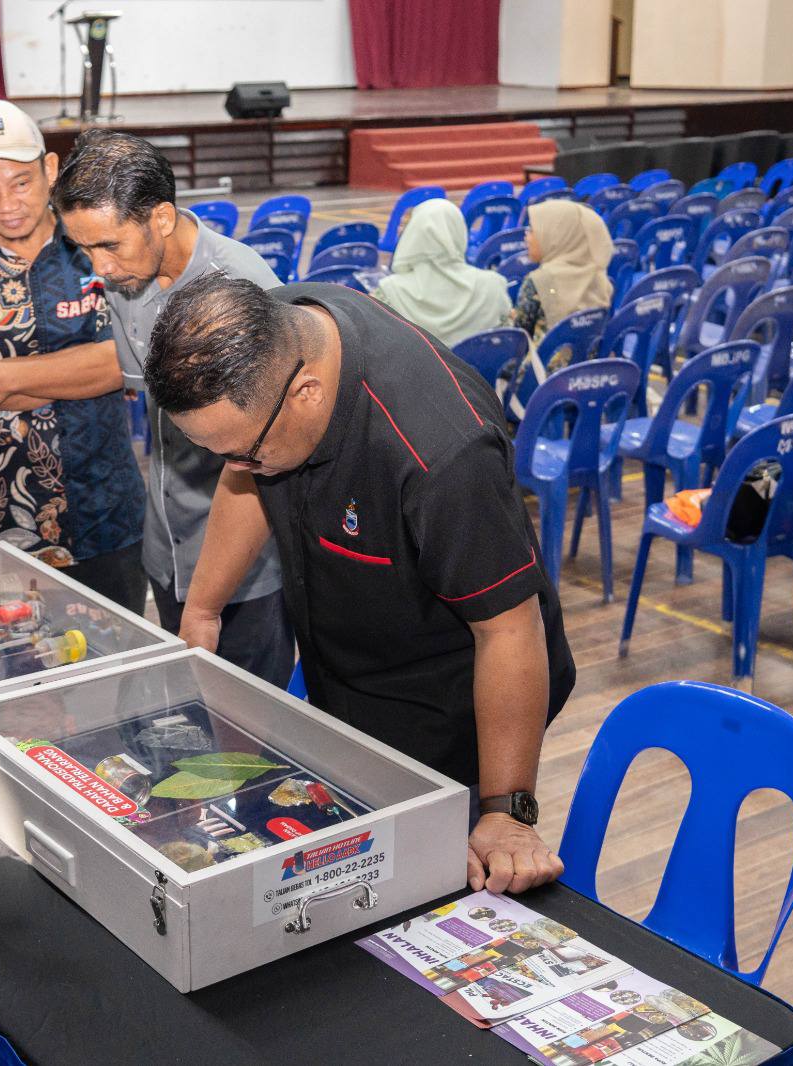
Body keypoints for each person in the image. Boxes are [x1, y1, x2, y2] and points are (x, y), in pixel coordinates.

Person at [143, 274, 577, 895]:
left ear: (307, 392)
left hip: (453, 707)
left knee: (426, 890)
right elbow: (246, 479)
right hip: (349, 678)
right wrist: (202, 612)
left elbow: (510, 630)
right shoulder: (277, 332)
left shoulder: (443, 455)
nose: (232, 469)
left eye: (243, 452)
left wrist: (507, 812)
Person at [52, 130, 293, 685]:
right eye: (84, 248)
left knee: (244, 720)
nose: (98, 267)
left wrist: (208, 602)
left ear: (161, 217)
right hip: (167, 550)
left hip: (245, 568)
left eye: (109, 245)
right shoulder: (127, 275)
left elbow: (268, 457)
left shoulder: (242, 287)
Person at [0, 100, 146, 611]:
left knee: (124, 655)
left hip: (109, 513)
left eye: (20, 182)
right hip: (4, 520)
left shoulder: (95, 243)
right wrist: (86, 366)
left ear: (50, 169)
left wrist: (5, 375)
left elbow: (127, 362)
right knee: (15, 660)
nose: (5, 204)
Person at [372, 198, 512, 345]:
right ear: (460, 232)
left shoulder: (389, 292)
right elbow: (506, 340)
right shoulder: (494, 285)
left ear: (414, 234)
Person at [511, 199, 613, 347]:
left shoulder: (540, 281)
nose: (526, 237)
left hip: (543, 362)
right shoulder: (599, 276)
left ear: (556, 237)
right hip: (590, 361)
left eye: (532, 231)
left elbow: (517, 338)